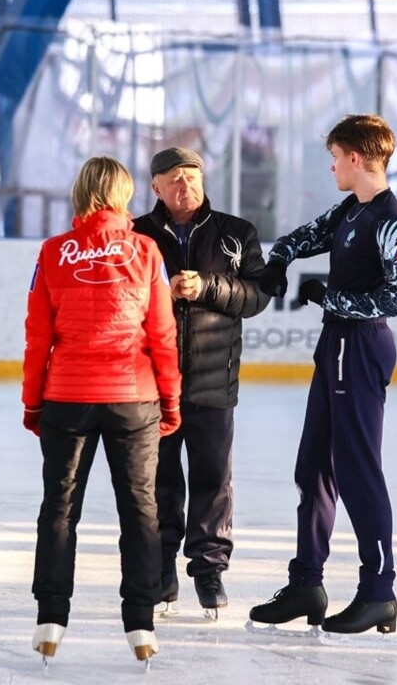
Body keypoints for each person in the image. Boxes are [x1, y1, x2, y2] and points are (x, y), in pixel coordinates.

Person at [247, 114, 397, 635]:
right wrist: (279, 258)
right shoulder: (352, 208)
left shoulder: (388, 219)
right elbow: (307, 235)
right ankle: (307, 583)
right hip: (335, 345)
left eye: (335, 155)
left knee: (357, 469)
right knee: (314, 467)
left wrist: (334, 298)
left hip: (360, 347)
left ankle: (379, 591)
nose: (330, 165)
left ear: (356, 158)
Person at [22, 156, 182, 665]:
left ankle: (50, 619)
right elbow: (162, 335)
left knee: (59, 508)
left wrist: (33, 401)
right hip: (133, 399)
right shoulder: (147, 250)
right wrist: (170, 399)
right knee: (140, 511)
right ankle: (141, 625)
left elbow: (37, 338)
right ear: (123, 194)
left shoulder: (52, 253)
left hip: (66, 397)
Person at [132, 146, 270, 616]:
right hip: (154, 382)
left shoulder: (237, 232)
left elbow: (257, 295)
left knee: (214, 478)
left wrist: (207, 287)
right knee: (159, 477)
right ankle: (162, 568)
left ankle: (208, 571)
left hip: (215, 378)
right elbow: (125, 298)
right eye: (172, 178)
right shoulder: (139, 235)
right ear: (155, 187)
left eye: (191, 176)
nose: (183, 185)